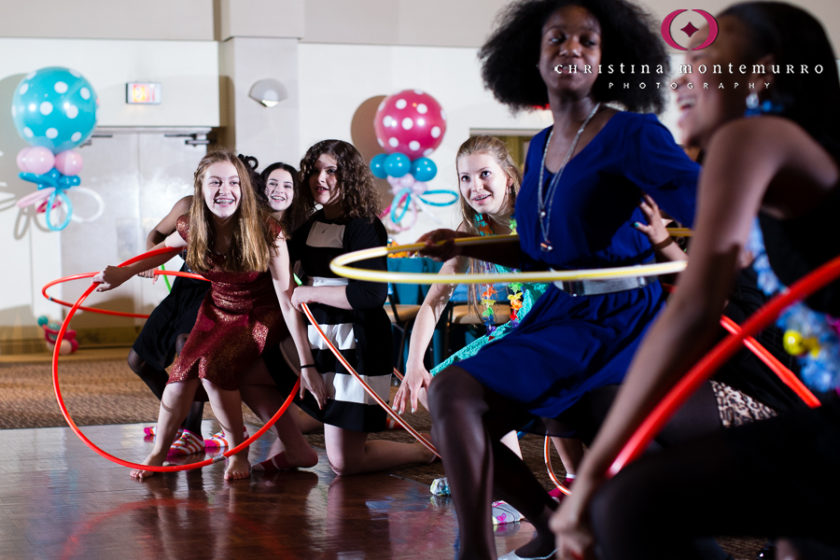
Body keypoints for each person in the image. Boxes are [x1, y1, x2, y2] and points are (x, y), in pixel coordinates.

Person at [551, 3, 840, 559]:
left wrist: (589, 481)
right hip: (822, 410)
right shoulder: (774, 153)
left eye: (704, 59)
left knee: (626, 505)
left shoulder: (753, 140)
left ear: (759, 75)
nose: (682, 77)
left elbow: (692, 309)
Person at [417, 1, 703, 558]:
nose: (571, 49)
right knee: (451, 392)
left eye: (587, 41)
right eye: (556, 39)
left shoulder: (634, 135)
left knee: (466, 396)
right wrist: (465, 245)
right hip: (560, 313)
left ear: (608, 58)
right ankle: (515, 533)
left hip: (620, 319)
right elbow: (540, 254)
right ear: (533, 57)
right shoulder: (544, 145)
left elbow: (712, 208)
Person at [95, 150, 326, 480]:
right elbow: (161, 251)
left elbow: (287, 300)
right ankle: (158, 455)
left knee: (213, 370)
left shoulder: (267, 230)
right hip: (216, 308)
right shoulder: (192, 225)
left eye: (233, 183)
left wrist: (307, 364)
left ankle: (237, 450)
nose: (225, 190)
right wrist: (123, 272)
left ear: (244, 188)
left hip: (260, 314)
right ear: (200, 189)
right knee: (179, 377)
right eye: (215, 182)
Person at [391, 135, 581, 501]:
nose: (474, 187)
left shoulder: (536, 214)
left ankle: (571, 479)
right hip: (513, 331)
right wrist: (413, 363)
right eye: (464, 178)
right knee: (439, 386)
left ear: (508, 176)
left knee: (529, 376)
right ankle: (507, 484)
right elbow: (435, 300)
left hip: (554, 324)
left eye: (484, 174)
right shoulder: (471, 231)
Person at [288, 139, 434, 475]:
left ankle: (425, 450)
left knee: (344, 462)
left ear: (349, 176)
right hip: (322, 338)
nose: (319, 178)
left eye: (331, 171)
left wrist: (309, 293)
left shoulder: (365, 225)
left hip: (359, 342)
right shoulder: (310, 224)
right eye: (314, 170)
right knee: (294, 417)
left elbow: (370, 295)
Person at [128, 194, 209, 455]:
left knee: (187, 347)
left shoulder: (234, 212)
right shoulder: (188, 206)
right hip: (184, 286)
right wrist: (150, 257)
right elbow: (156, 235)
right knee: (138, 360)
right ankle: (178, 423)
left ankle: (193, 433)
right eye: (212, 180)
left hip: (216, 291)